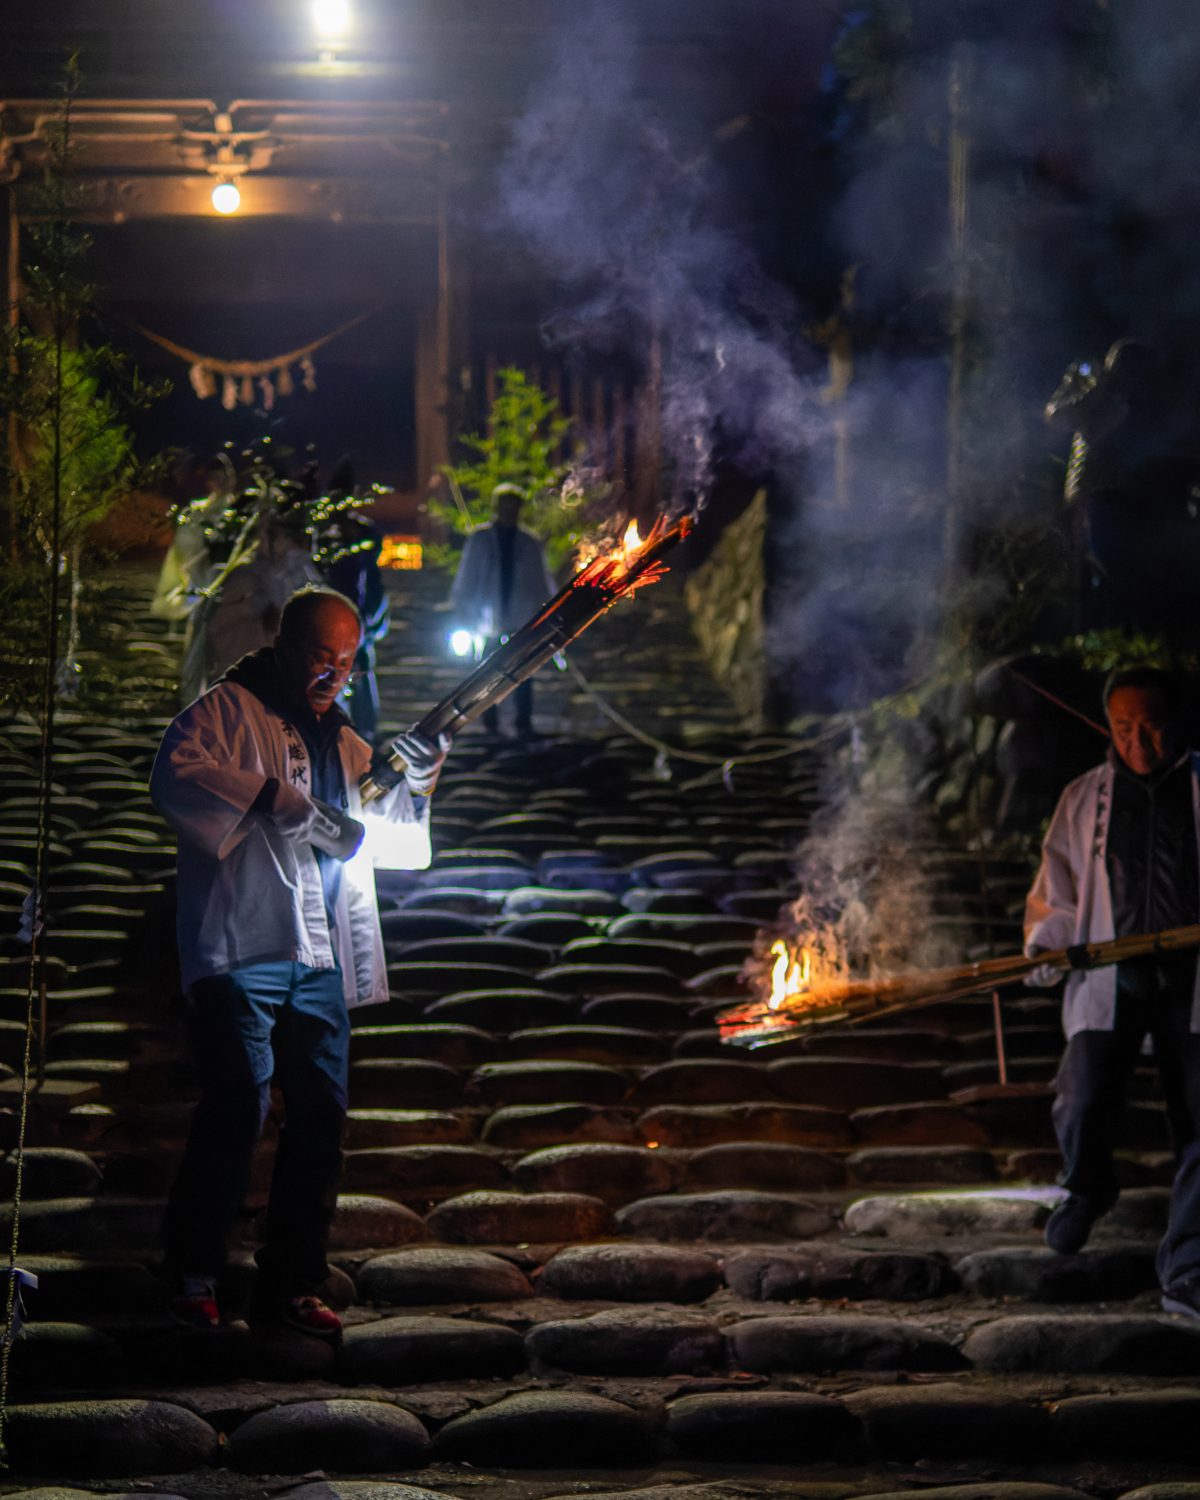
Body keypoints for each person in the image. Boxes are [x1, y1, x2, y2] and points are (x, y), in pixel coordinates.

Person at [150, 587, 448, 1337]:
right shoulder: (226, 710)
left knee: (320, 1113)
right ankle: (191, 1273)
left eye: (347, 661)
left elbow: (400, 847)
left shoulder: (349, 744)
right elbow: (175, 774)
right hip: (240, 946)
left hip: (320, 956)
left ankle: (292, 1282)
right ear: (286, 646)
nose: (334, 674)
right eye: (321, 656)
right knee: (238, 1106)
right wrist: (275, 799)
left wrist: (418, 777)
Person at [1024, 665, 1200, 1317]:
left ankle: (1188, 1265)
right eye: (1123, 727)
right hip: (1111, 970)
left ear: (1176, 722)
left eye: (1150, 726)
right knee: (1085, 1094)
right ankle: (1088, 1187)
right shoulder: (1083, 797)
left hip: (1193, 979)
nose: (1137, 742)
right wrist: (1048, 940)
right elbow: (1059, 885)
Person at [448, 487, 554, 737]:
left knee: (523, 674)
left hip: (520, 622)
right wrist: (463, 611)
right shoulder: (481, 539)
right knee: (487, 674)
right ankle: (490, 723)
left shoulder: (529, 543)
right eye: (505, 506)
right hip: (487, 623)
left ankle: (522, 722)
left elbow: (539, 582)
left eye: (513, 506)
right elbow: (468, 578)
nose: (509, 511)